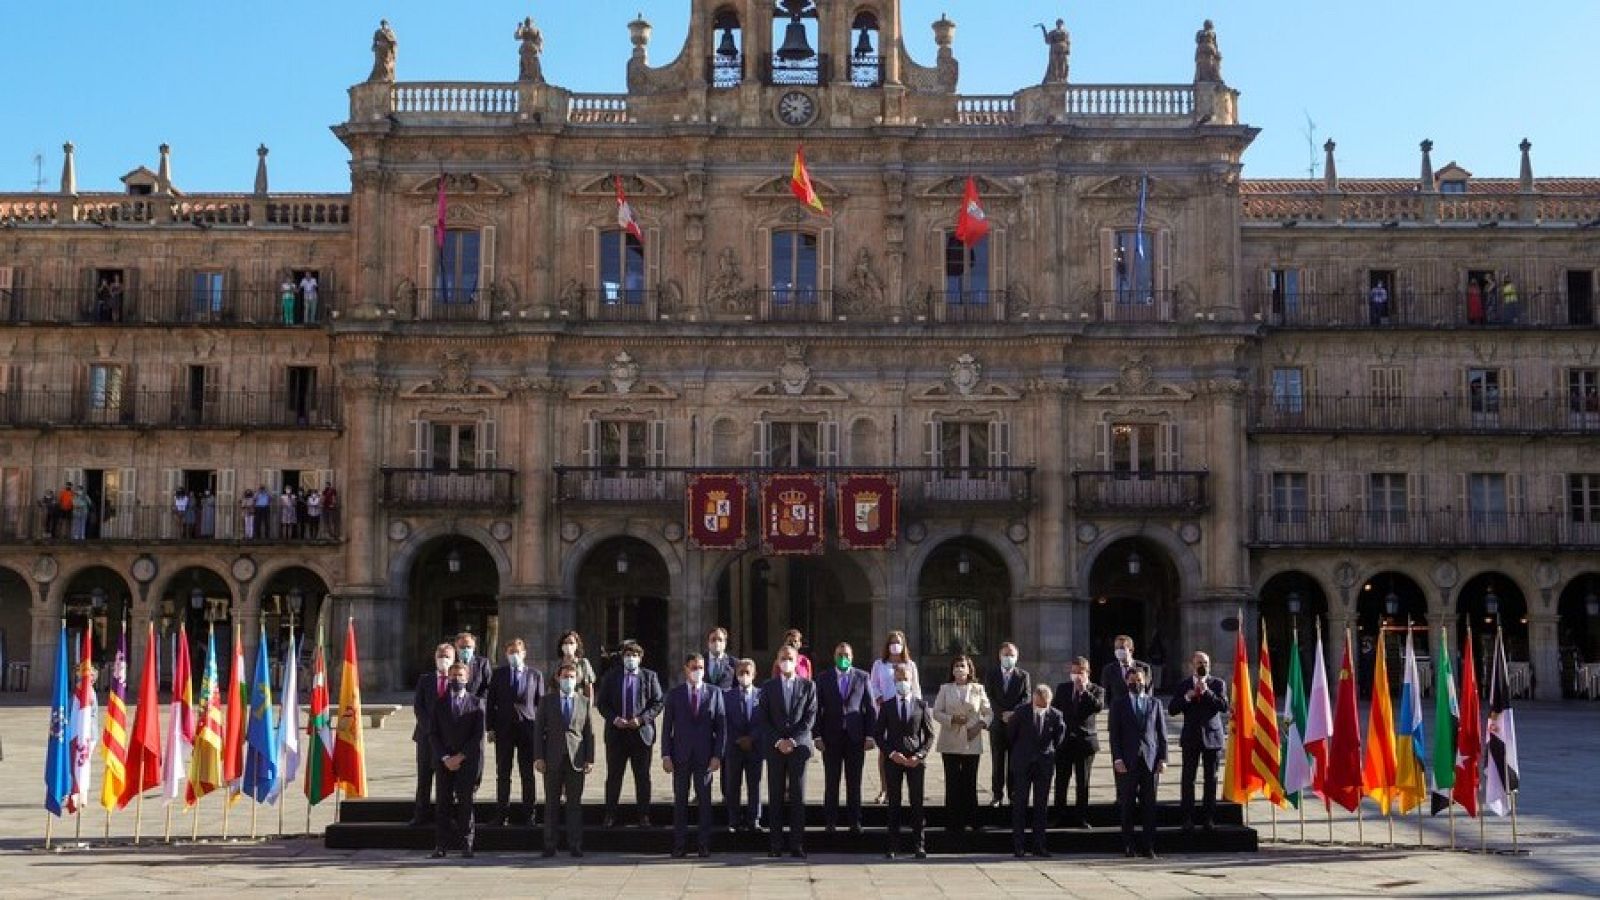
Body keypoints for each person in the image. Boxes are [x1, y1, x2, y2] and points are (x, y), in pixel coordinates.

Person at [661, 653, 726, 858]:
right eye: (693, 667)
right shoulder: (675, 694)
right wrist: (666, 755)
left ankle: (703, 844)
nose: (697, 671)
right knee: (680, 801)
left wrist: (717, 755)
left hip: (704, 756)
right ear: (686, 669)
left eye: (700, 667)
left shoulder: (714, 693)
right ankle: (680, 844)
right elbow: (666, 728)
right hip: (681, 755)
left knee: (705, 802)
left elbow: (721, 727)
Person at [597, 640, 663, 827]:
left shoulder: (650, 677)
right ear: (622, 657)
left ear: (640, 658)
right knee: (614, 776)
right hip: (617, 734)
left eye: (634, 656)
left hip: (641, 734)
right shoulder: (611, 677)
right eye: (627, 655)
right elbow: (602, 704)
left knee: (642, 777)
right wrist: (614, 718)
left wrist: (642, 719)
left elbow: (658, 702)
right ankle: (610, 814)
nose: (630, 659)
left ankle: (644, 815)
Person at [759, 644, 817, 858]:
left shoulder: (808, 686)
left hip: (798, 748)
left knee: (797, 797)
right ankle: (775, 844)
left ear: (797, 660)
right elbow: (763, 719)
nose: (786, 661)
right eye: (782, 657)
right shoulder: (767, 687)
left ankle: (796, 844)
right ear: (777, 660)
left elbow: (809, 717)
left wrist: (792, 740)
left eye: (790, 657)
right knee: (775, 797)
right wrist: (778, 741)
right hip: (775, 750)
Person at [534, 662, 595, 858]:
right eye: (564, 676)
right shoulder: (547, 701)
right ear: (558, 678)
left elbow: (589, 733)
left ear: (577, 679)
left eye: (571, 676)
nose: (568, 680)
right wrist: (539, 757)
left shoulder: (584, 702)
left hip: (576, 758)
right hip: (552, 758)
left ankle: (575, 844)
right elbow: (538, 731)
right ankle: (550, 844)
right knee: (551, 803)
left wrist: (589, 758)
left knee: (574, 804)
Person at [813, 641, 874, 834]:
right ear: (834, 657)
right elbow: (816, 709)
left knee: (854, 782)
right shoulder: (824, 678)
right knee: (832, 782)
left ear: (852, 657)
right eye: (840, 655)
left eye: (846, 655)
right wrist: (817, 735)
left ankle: (854, 822)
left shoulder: (863, 677)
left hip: (855, 737)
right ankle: (830, 822)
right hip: (831, 737)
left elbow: (870, 708)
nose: (843, 658)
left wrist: (870, 735)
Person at [1167, 650, 1229, 831]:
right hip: (1191, 737)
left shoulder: (1218, 684)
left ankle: (1208, 818)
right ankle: (1187, 818)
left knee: (1211, 779)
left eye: (1206, 663)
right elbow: (1172, 709)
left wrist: (1207, 692)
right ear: (1192, 665)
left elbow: (1223, 706)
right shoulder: (1184, 685)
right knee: (1188, 779)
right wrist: (1188, 697)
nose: (1203, 666)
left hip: (1212, 737)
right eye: (1199, 663)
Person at [877, 664, 935, 859]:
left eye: (906, 678)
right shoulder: (887, 705)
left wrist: (919, 756)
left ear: (912, 681)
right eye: (899, 678)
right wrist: (891, 753)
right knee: (894, 802)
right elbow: (878, 734)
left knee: (916, 803)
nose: (903, 682)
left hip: (915, 760)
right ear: (894, 681)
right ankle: (893, 846)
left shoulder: (921, 705)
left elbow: (929, 736)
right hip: (894, 759)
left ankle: (919, 845)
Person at [429, 662, 485, 858]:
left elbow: (478, 736)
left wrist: (461, 757)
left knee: (466, 803)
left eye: (460, 675)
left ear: (467, 678)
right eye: (452, 676)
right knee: (443, 803)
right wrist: (445, 757)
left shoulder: (477, 704)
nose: (456, 679)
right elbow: (433, 734)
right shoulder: (439, 703)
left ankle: (466, 844)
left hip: (467, 761)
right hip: (444, 762)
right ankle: (441, 845)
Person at [1111, 666, 1168, 859]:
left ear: (1146, 681)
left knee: (1149, 805)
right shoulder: (1118, 704)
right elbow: (1115, 736)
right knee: (1127, 805)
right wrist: (1117, 758)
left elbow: (1162, 734)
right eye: (1133, 680)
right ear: (1127, 682)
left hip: (1150, 761)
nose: (1136, 683)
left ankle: (1148, 845)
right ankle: (1128, 845)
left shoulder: (1155, 703)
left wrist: (1163, 758)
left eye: (1140, 680)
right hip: (1127, 761)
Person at [932, 654, 991, 835]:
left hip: (971, 740)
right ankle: (952, 821)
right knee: (952, 782)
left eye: (962, 666)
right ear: (952, 670)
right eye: (956, 666)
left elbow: (988, 712)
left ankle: (972, 820)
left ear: (969, 669)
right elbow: (936, 712)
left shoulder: (978, 689)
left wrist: (981, 725)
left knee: (969, 782)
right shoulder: (945, 688)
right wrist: (951, 719)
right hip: (950, 740)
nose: (959, 669)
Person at [486, 638, 544, 826]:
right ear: (506, 654)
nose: (514, 655)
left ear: (524, 653)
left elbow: (540, 704)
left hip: (527, 729)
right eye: (511, 652)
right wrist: (490, 727)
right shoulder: (498, 674)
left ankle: (530, 814)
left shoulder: (535, 675)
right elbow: (490, 702)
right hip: (504, 730)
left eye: (517, 651)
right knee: (503, 773)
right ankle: (502, 813)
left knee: (527, 773)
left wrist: (541, 731)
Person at [1007, 684, 1065, 858]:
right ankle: (1019, 846)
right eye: (1039, 704)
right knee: (1020, 805)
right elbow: (1011, 735)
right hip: (1023, 763)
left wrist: (1047, 753)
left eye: (1045, 705)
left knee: (1041, 806)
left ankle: (1039, 846)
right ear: (1034, 699)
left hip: (1044, 764)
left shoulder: (1056, 715)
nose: (1042, 708)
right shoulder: (1021, 712)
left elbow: (1059, 738)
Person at [1052, 656, 1105, 828]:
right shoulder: (1062, 688)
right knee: (1061, 780)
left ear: (1087, 673)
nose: (1076, 676)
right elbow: (1054, 710)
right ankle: (1059, 815)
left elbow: (1098, 707)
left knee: (1083, 782)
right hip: (1064, 742)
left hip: (1085, 742)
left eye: (1080, 672)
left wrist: (1084, 691)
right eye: (1073, 672)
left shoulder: (1096, 690)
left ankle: (1081, 816)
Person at [868, 631, 919, 804]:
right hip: (885, 711)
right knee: (885, 751)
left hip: (904, 711)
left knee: (906, 748)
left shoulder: (910, 665)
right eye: (892, 642)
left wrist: (917, 711)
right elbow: (873, 684)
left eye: (898, 642)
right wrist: (879, 698)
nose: (895, 645)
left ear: (904, 645)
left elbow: (916, 688)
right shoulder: (879, 664)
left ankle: (899, 790)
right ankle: (884, 789)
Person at [411, 643, 455, 826]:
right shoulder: (425, 679)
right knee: (424, 776)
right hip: (426, 736)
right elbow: (418, 707)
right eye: (440, 655)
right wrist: (431, 729)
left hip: (449, 739)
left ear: (453, 659)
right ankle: (421, 815)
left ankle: (445, 816)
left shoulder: (457, 679)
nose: (443, 659)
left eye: (446, 656)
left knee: (447, 780)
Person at [984, 642, 1031, 807]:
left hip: (1015, 725)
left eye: (1011, 655)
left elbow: (1026, 697)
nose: (1008, 658)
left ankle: (1013, 795)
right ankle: (997, 795)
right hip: (997, 724)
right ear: (1000, 656)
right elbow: (988, 696)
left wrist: (1013, 713)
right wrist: (1001, 713)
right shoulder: (992, 674)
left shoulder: (1023, 676)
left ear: (1017, 657)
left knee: (1014, 762)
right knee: (998, 761)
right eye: (1006, 654)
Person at [722, 658, 764, 833]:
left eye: (748, 672)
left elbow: (765, 720)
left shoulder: (762, 695)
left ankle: (754, 819)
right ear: (736, 674)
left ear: (754, 675)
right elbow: (723, 722)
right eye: (741, 672)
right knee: (733, 784)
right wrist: (738, 739)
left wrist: (752, 738)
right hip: (734, 747)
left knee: (755, 785)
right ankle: (733, 820)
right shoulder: (726, 696)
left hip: (755, 748)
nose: (744, 676)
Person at [1101, 634, 1152, 710]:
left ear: (1131, 650)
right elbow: (1106, 694)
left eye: (1121, 648)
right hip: (1118, 712)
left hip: (1139, 710)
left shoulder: (1144, 668)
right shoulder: (1108, 670)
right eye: (1116, 648)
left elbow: (1149, 691)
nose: (1118, 651)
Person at [552, 630, 596, 701]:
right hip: (560, 704)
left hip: (578, 703)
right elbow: (553, 687)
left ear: (577, 645)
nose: (568, 646)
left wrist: (588, 707)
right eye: (565, 643)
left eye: (571, 643)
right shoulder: (558, 664)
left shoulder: (583, 663)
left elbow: (589, 689)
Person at [454, 632, 492, 699]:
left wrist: (478, 703)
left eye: (469, 647)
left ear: (474, 648)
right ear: (456, 647)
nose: (466, 650)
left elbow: (488, 686)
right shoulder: (451, 662)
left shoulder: (482, 663)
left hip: (476, 705)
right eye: (462, 647)